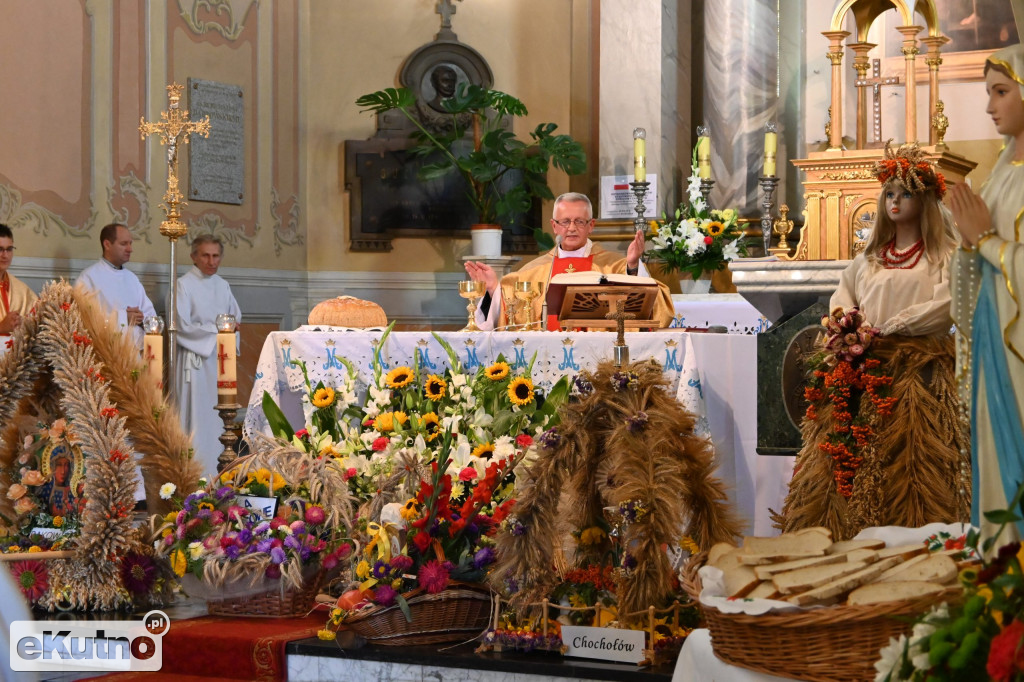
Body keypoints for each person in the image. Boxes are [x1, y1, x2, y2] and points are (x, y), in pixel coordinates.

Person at [776, 142, 968, 540]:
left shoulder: (943, 256)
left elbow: (949, 303)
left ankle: (916, 541)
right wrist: (846, 325)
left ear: (926, 200)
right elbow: (842, 299)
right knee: (852, 457)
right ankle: (843, 538)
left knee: (913, 463)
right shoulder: (870, 259)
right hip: (866, 370)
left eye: (906, 194)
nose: (895, 202)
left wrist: (900, 324)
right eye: (890, 195)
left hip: (920, 372)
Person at [949, 43, 1024, 541]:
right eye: (989, 93)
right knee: (994, 455)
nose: (990, 105)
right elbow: (975, 248)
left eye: (1001, 91)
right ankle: (1002, 562)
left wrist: (984, 240)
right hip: (991, 330)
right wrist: (966, 241)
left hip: (1015, 346)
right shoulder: (1001, 170)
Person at [464, 192, 674, 330]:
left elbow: (653, 304)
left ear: (591, 225)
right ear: (554, 226)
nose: (572, 228)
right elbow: (507, 310)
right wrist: (493, 288)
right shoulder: (534, 270)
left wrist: (633, 266)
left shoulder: (614, 266)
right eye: (565, 222)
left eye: (579, 222)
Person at [175, 235, 242, 475]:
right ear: (194, 256)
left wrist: (228, 331)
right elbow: (181, 326)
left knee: (218, 417)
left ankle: (220, 471)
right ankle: (195, 474)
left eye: (216, 256)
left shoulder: (222, 285)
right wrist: (216, 332)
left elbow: (235, 319)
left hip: (219, 361)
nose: (211, 261)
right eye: (205, 255)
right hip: (195, 360)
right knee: (197, 417)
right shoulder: (182, 285)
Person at [75, 223, 156, 348]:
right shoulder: (88, 278)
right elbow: (85, 320)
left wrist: (141, 318)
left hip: (135, 354)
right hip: (106, 354)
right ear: (107, 244)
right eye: (124, 244)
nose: (130, 249)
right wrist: (124, 318)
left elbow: (151, 317)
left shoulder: (132, 279)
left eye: (130, 243)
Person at [0, 223, 37, 343]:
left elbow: (38, 325)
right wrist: (2, 327)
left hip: (18, 358)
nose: (5, 255)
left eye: (9, 249)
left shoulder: (21, 289)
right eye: (0, 249)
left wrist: (25, 326)